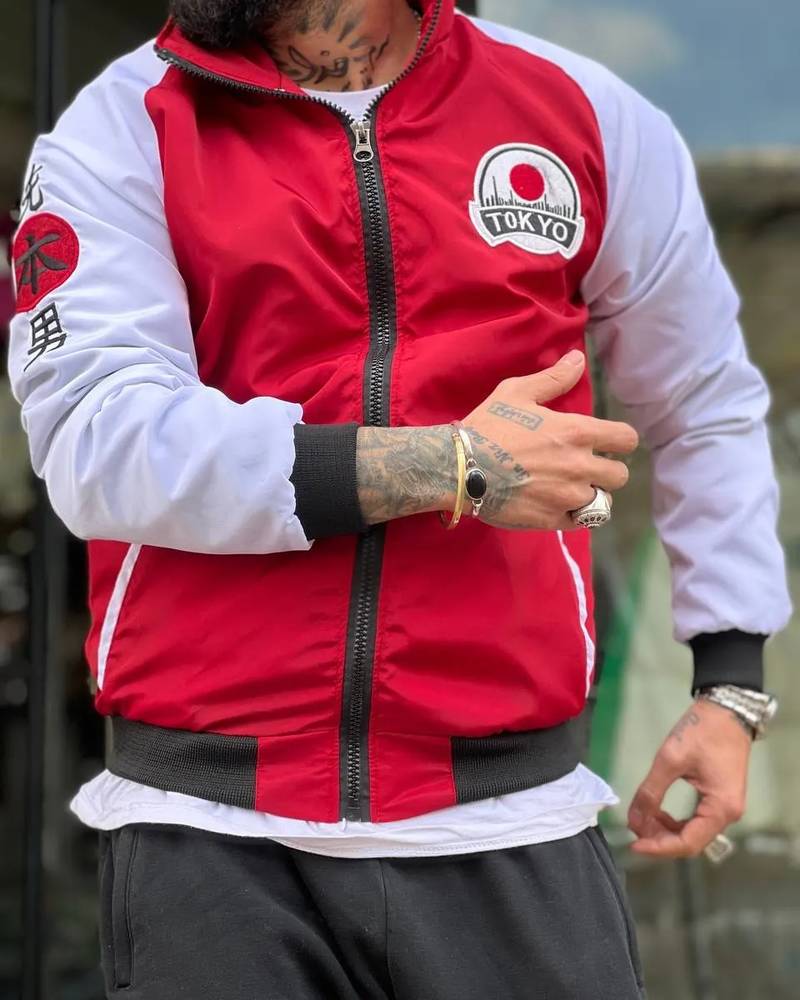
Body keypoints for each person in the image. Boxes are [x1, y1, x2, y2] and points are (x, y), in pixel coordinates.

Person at [7, 1, 791, 997]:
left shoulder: (586, 113)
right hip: (209, 837)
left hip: (513, 820)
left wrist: (728, 682)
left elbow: (702, 405)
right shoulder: (122, 125)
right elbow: (100, 439)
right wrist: (451, 465)